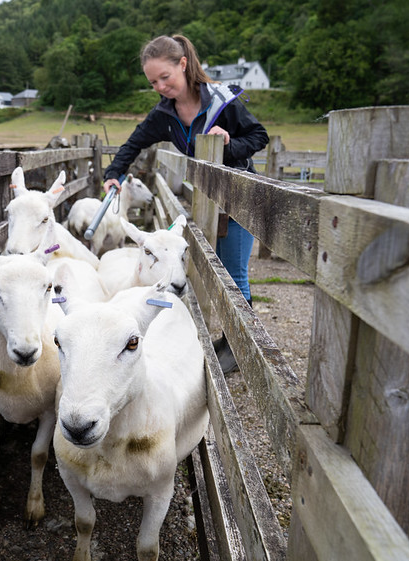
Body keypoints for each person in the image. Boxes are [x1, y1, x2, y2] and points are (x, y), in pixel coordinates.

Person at [103, 34, 268, 374]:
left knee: (234, 274)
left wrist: (228, 145)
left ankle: (240, 347)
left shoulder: (222, 101)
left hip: (237, 199)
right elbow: (133, 143)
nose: (160, 86)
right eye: (153, 82)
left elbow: (258, 137)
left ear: (183, 64)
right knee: (214, 268)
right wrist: (114, 173)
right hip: (207, 200)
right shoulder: (165, 114)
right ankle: (228, 338)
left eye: (165, 77)